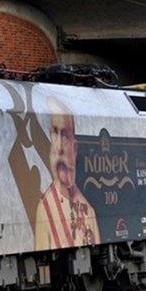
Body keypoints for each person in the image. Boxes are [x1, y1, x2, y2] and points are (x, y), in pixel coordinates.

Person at [34, 97, 100, 250]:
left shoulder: (88, 209)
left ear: (75, 148)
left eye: (65, 135)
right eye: (55, 133)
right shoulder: (45, 209)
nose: (59, 148)